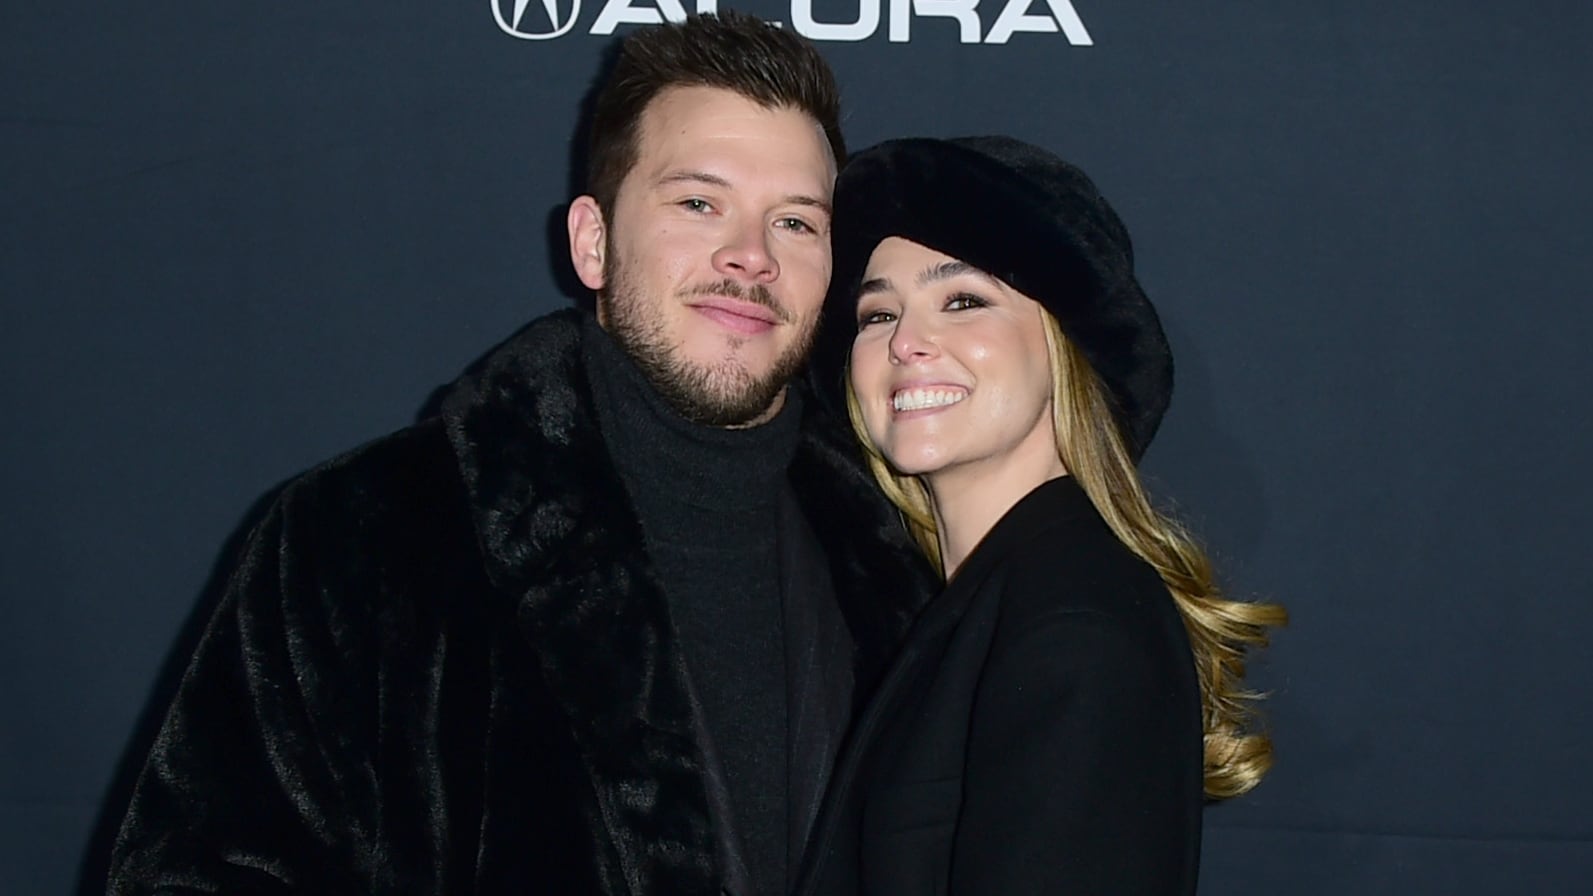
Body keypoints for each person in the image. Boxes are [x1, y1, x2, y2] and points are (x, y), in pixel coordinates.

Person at [106, 14, 937, 896]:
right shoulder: (360, 537)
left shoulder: (906, 559)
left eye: (796, 223)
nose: (750, 257)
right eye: (699, 202)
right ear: (593, 240)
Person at [795, 137, 1287, 895]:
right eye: (875, 313)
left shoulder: (1070, 618)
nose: (906, 342)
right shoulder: (985, 606)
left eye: (962, 301)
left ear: (1062, 349)